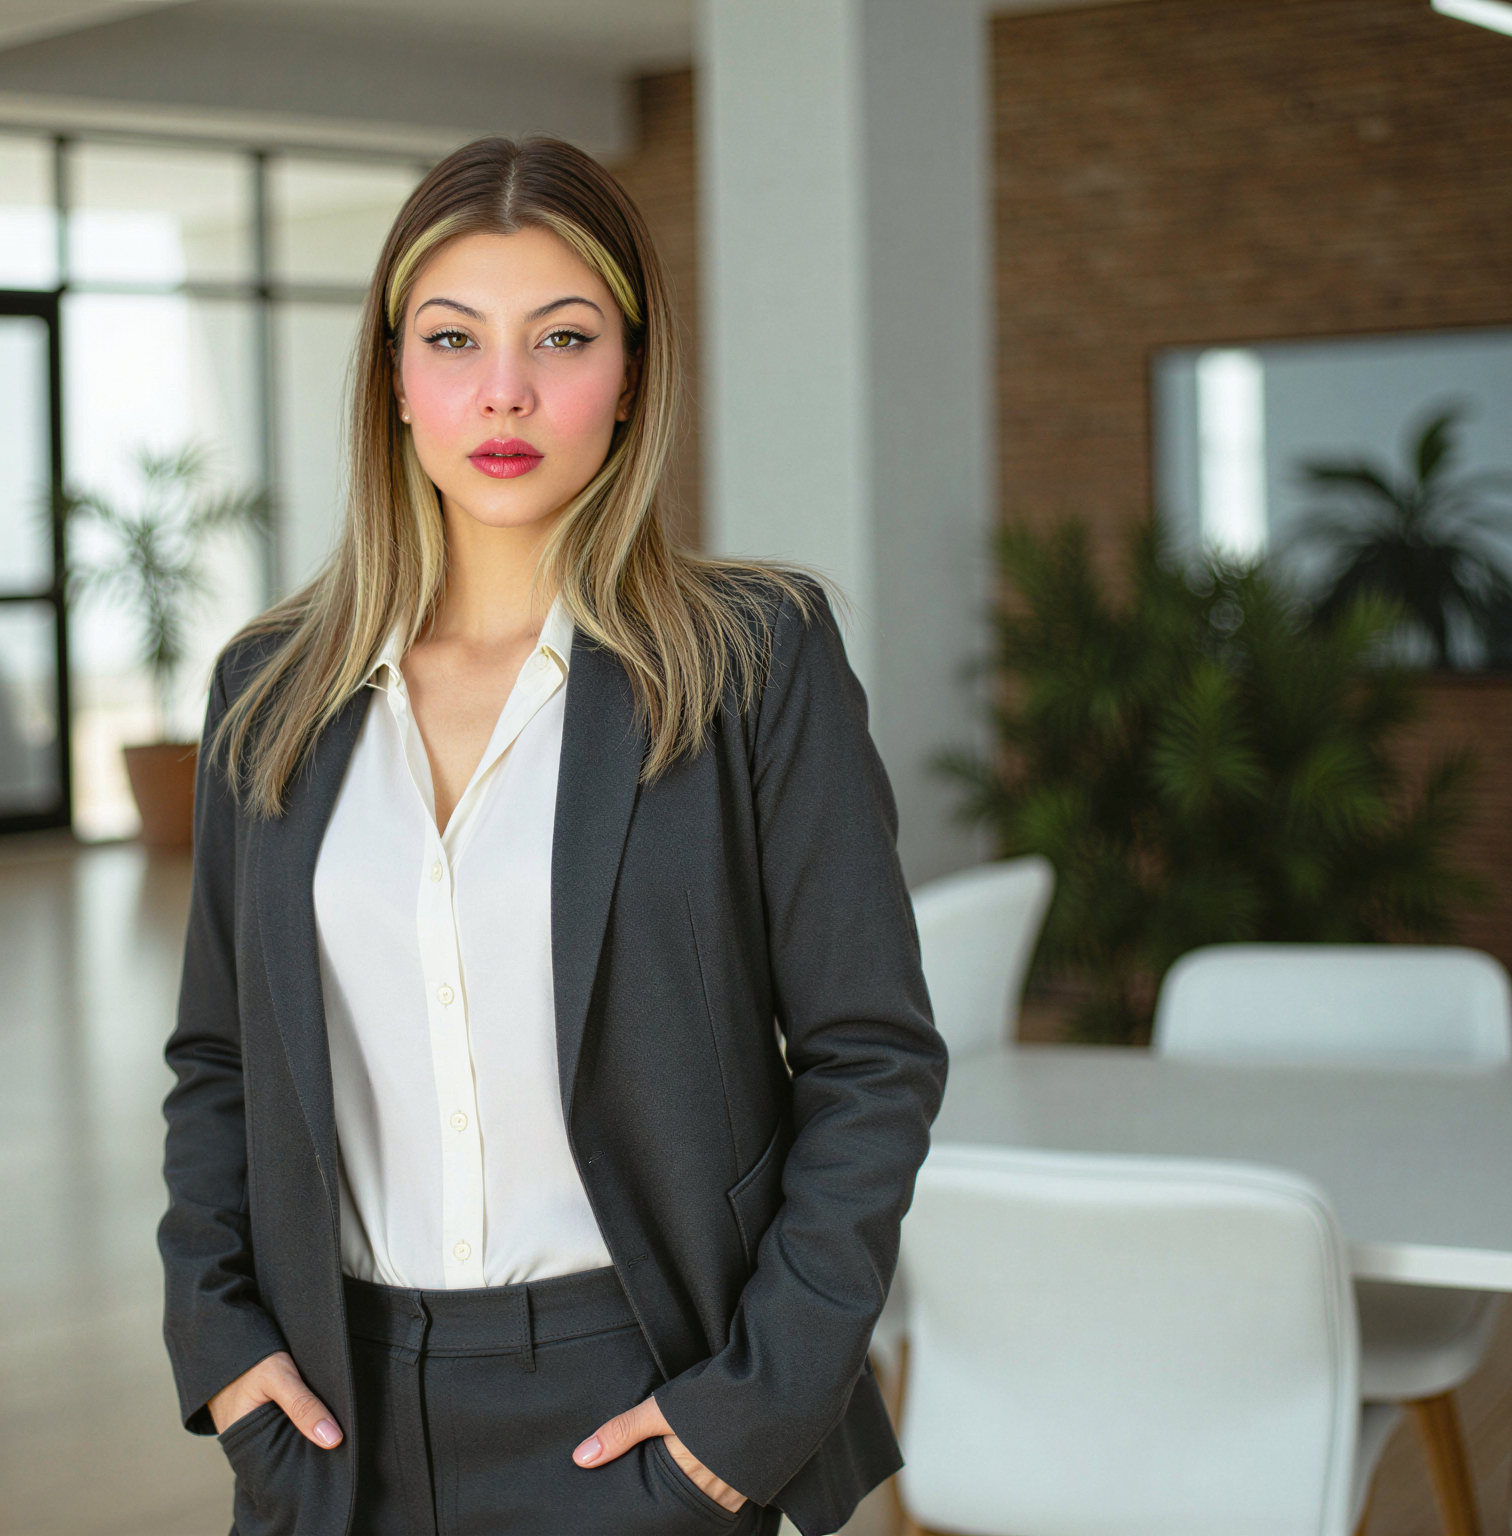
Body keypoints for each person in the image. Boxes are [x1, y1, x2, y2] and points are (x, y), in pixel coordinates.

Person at [159, 135, 945, 1536]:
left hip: (648, 1400)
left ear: (630, 374)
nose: (504, 391)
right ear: (395, 381)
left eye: (562, 337)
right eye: (454, 339)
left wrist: (748, 1410)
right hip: (332, 1419)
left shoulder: (753, 661)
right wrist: (219, 1345)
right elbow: (220, 1057)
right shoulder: (269, 690)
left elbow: (869, 1060)